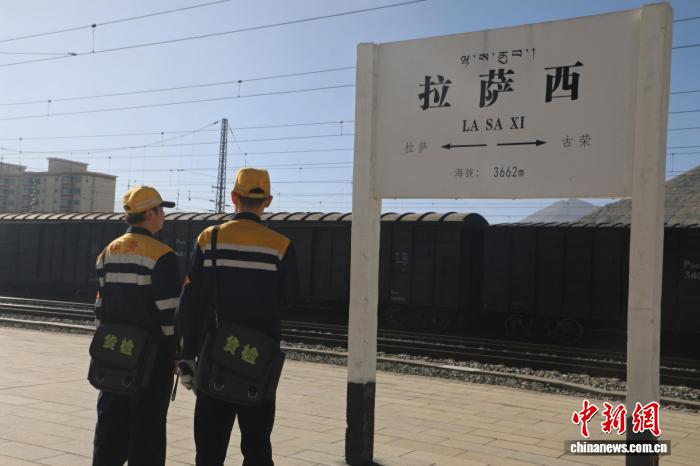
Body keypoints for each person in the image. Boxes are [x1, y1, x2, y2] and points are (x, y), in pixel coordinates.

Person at [176, 168, 298, 466]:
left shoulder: (209, 239)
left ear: (234, 197)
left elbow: (190, 302)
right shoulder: (280, 245)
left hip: (215, 356)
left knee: (209, 451)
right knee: (257, 449)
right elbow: (289, 300)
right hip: (260, 361)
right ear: (267, 201)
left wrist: (186, 356)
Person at [92, 186, 181, 466]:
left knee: (109, 431)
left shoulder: (107, 253)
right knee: (147, 434)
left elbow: (99, 308)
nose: (163, 215)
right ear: (150, 213)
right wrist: (177, 354)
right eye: (161, 209)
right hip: (152, 362)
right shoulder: (162, 255)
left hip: (113, 357)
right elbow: (169, 317)